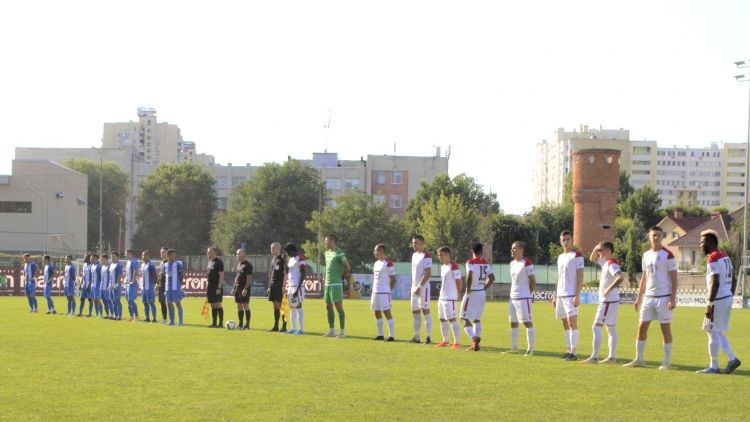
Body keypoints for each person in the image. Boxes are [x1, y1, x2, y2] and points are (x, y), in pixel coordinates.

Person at [624, 226, 678, 370]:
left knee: (665, 328)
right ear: (649, 236)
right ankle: (639, 359)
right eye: (653, 235)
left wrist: (673, 298)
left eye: (658, 235)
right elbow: (644, 277)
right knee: (641, 327)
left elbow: (674, 278)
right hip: (648, 297)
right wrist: (638, 298)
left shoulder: (668, 255)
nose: (656, 238)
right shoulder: (645, 255)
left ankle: (667, 362)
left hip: (664, 297)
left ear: (662, 237)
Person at [696, 229, 741, 374]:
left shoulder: (713, 258)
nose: (700, 245)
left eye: (702, 242)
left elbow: (715, 282)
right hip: (726, 297)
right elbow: (733, 279)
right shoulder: (725, 257)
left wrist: (709, 304)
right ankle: (731, 359)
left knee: (711, 330)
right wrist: (730, 294)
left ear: (709, 242)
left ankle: (714, 366)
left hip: (718, 299)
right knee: (716, 330)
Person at [582, 241, 623, 364]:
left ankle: (595, 357)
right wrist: (596, 247)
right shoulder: (605, 263)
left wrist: (608, 289)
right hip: (611, 300)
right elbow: (592, 258)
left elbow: (620, 277)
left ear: (609, 251)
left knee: (596, 327)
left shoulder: (610, 264)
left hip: (607, 301)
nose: (599, 252)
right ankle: (611, 357)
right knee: (611, 329)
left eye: (602, 250)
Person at [552, 230, 584, 361]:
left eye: (567, 239)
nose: (565, 242)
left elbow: (580, 276)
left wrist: (577, 295)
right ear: (560, 242)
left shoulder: (577, 255)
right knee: (564, 322)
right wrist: (555, 294)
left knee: (572, 322)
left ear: (572, 240)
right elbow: (559, 277)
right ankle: (568, 349)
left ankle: (574, 352)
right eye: (563, 240)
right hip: (560, 294)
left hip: (571, 294)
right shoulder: (560, 257)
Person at [462, 243, 495, 352]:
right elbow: (492, 278)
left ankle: (474, 339)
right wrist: (484, 287)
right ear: (481, 252)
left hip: (472, 293)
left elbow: (470, 275)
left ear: (473, 251)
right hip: (481, 293)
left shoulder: (470, 262)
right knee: (476, 319)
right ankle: (476, 345)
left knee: (464, 318)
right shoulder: (485, 263)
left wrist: (468, 288)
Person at [508, 241, 536, 355]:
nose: (512, 250)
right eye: (512, 248)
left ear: (521, 250)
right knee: (513, 322)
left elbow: (533, 281)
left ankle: (530, 349)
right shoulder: (511, 263)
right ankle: (514, 347)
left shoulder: (527, 263)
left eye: (514, 248)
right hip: (512, 297)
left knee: (527, 322)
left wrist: (527, 294)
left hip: (523, 297)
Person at [435, 247, 463, 350]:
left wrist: (457, 294)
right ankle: (445, 340)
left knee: (452, 319)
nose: (439, 257)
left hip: (450, 298)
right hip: (442, 297)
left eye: (441, 255)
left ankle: (457, 342)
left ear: (447, 255)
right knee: (442, 319)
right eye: (439, 255)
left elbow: (459, 282)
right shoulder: (443, 267)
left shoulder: (454, 266)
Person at [323, 234, 350, 338]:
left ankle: (342, 332)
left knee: (338, 307)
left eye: (327, 241)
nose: (325, 243)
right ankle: (331, 331)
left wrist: (342, 276)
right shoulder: (326, 253)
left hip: (336, 284)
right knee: (327, 306)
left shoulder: (339, 252)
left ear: (332, 241)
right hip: (327, 284)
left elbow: (347, 266)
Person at [410, 235, 433, 344]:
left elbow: (428, 273)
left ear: (422, 243)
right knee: (415, 312)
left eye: (416, 243)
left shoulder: (426, 256)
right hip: (414, 288)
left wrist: (419, 286)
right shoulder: (414, 255)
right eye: (413, 243)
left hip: (423, 288)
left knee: (425, 311)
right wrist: (413, 287)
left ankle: (428, 337)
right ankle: (416, 337)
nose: (414, 245)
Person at [371, 243, 396, 341]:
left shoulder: (388, 263)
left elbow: (393, 279)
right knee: (376, 312)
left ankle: (392, 336)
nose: (374, 252)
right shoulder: (376, 263)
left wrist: (389, 290)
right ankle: (380, 334)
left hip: (384, 293)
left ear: (381, 251)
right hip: (375, 292)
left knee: (387, 312)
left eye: (375, 250)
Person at [284, 243, 306, 335]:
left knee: (298, 307)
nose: (287, 254)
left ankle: (301, 329)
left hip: (297, 286)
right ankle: (293, 328)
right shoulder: (290, 259)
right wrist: (285, 260)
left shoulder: (300, 258)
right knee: (292, 308)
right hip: (290, 286)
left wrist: (297, 289)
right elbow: (287, 272)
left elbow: (303, 274)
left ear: (292, 250)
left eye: (288, 252)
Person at [232, 249, 253, 330]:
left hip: (244, 287)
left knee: (245, 305)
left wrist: (246, 289)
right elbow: (237, 277)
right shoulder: (239, 264)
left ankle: (247, 324)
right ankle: (240, 324)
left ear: (243, 254)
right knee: (239, 306)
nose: (237, 255)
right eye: (237, 254)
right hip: (238, 287)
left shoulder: (248, 265)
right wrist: (234, 288)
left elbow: (249, 278)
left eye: (238, 254)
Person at [268, 242, 287, 332]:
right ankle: (276, 326)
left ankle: (284, 326)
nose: (272, 250)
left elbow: (285, 273)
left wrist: (284, 285)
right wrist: (269, 286)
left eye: (274, 248)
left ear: (279, 249)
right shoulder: (273, 259)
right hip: (273, 285)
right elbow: (271, 273)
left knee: (281, 306)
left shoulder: (282, 259)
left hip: (280, 285)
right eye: (271, 248)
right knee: (275, 305)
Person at [164, 249, 184, 326]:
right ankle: (172, 321)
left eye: (174, 255)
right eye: (172, 255)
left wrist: (180, 285)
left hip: (175, 287)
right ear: (168, 255)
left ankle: (180, 321)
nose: (173, 256)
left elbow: (182, 275)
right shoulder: (165, 265)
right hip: (167, 288)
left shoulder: (178, 264)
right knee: (168, 304)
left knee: (178, 303)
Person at [206, 246, 225, 328]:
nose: (207, 253)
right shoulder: (210, 261)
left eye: (209, 252)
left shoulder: (219, 262)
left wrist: (219, 288)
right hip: (210, 285)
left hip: (216, 285)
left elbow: (221, 276)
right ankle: (214, 323)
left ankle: (220, 324)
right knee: (212, 305)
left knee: (218, 304)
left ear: (214, 252)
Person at [139, 250, 158, 323]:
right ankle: (147, 318)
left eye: (145, 255)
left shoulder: (151, 265)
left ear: (148, 256)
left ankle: (154, 319)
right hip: (143, 287)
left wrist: (156, 284)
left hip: (149, 287)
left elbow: (155, 276)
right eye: (142, 255)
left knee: (151, 303)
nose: (143, 257)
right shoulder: (142, 265)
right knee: (144, 303)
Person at [124, 249, 140, 322]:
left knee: (131, 300)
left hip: (132, 284)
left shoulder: (134, 261)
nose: (125, 255)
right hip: (127, 283)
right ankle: (131, 316)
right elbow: (127, 272)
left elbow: (135, 271)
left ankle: (137, 316)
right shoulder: (128, 262)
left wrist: (133, 281)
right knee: (128, 300)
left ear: (130, 254)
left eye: (126, 254)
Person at [110, 252, 124, 320]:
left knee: (117, 300)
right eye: (112, 256)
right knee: (113, 301)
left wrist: (117, 284)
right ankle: (115, 315)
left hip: (116, 285)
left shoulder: (119, 265)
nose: (112, 258)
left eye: (114, 256)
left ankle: (120, 316)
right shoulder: (111, 264)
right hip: (111, 286)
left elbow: (119, 275)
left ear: (117, 257)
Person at [157, 247, 169, 324]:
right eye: (161, 252)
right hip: (161, 286)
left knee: (169, 303)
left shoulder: (170, 262)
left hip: (167, 286)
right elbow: (160, 274)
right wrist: (157, 283)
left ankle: (171, 319)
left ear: (167, 253)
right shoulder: (161, 263)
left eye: (164, 252)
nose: (162, 253)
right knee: (162, 302)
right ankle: (164, 319)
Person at [90, 254, 103, 318]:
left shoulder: (98, 266)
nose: (90, 259)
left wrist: (100, 285)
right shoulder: (92, 265)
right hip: (92, 285)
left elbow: (101, 277)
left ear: (95, 258)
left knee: (97, 299)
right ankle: (97, 314)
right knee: (94, 300)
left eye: (91, 258)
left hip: (97, 285)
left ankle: (101, 314)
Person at [100, 254, 112, 319]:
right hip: (102, 287)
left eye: (102, 259)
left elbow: (110, 277)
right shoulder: (102, 267)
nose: (101, 260)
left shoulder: (108, 267)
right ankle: (107, 314)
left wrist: (109, 285)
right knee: (104, 302)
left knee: (109, 301)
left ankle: (112, 314)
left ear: (105, 259)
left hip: (107, 287)